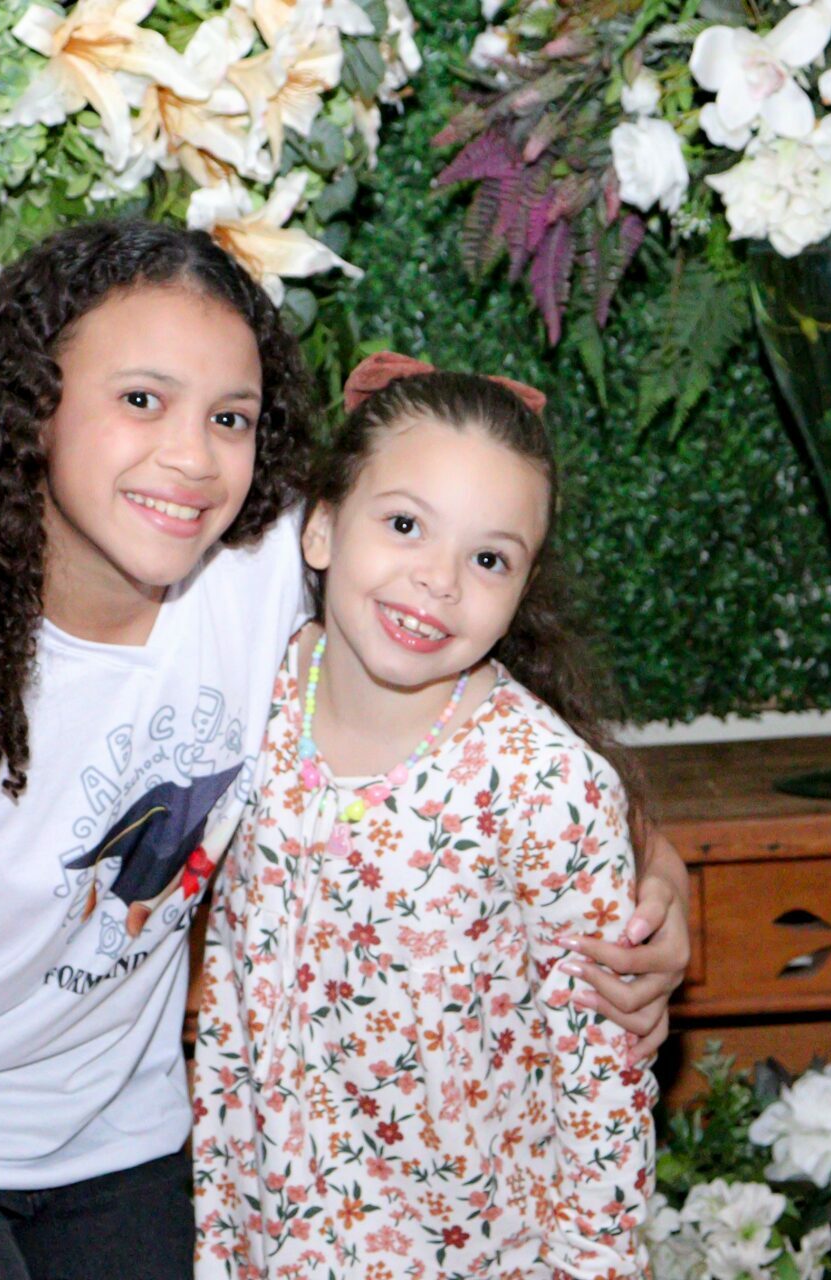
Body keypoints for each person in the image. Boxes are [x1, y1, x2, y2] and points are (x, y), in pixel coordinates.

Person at [0, 222, 687, 1280]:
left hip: (122, 1140)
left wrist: (662, 886)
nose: (191, 457)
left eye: (229, 417)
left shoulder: (266, 570)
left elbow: (540, 761)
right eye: (142, 399)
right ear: (30, 406)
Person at [192, 355, 657, 1279]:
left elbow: (603, 1082)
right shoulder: (251, 696)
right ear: (321, 528)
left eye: (489, 559)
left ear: (523, 588)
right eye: (405, 525)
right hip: (262, 1241)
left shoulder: (544, 786)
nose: (440, 581)